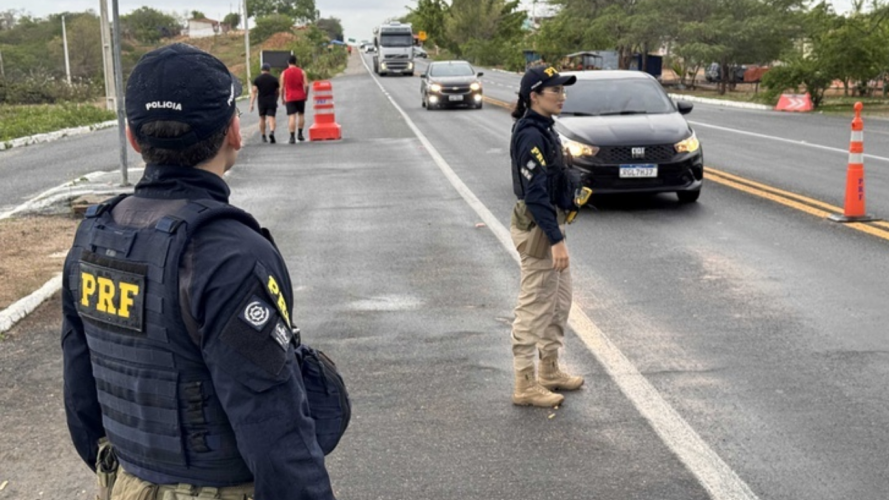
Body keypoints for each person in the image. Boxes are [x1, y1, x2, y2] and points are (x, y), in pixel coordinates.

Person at [60, 43, 336, 500]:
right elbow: (275, 433)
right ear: (234, 132)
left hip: (124, 483)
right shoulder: (229, 255)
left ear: (133, 138)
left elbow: (81, 401)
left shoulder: (93, 238)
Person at [508, 65, 584, 408]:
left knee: (559, 303)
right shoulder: (530, 135)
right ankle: (524, 383)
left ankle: (549, 370)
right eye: (555, 91)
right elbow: (535, 194)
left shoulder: (545, 128)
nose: (562, 96)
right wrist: (556, 240)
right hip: (539, 230)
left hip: (551, 222)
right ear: (534, 96)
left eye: (563, 91)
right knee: (535, 305)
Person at [280, 55, 309, 143]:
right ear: (296, 62)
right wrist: (306, 95)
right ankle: (300, 134)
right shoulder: (302, 72)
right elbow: (306, 85)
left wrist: (282, 98)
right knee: (301, 115)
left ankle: (292, 137)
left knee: (292, 116)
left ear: (288, 62)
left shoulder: (284, 73)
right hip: (300, 96)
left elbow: (281, 88)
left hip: (290, 97)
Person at [250, 62, 280, 143]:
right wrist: (276, 99)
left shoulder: (257, 79)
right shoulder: (274, 79)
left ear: (262, 70)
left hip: (262, 101)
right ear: (269, 70)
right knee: (271, 117)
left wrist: (251, 103)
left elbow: (254, 91)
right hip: (271, 100)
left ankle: (263, 136)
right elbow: (277, 92)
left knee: (262, 118)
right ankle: (272, 132)